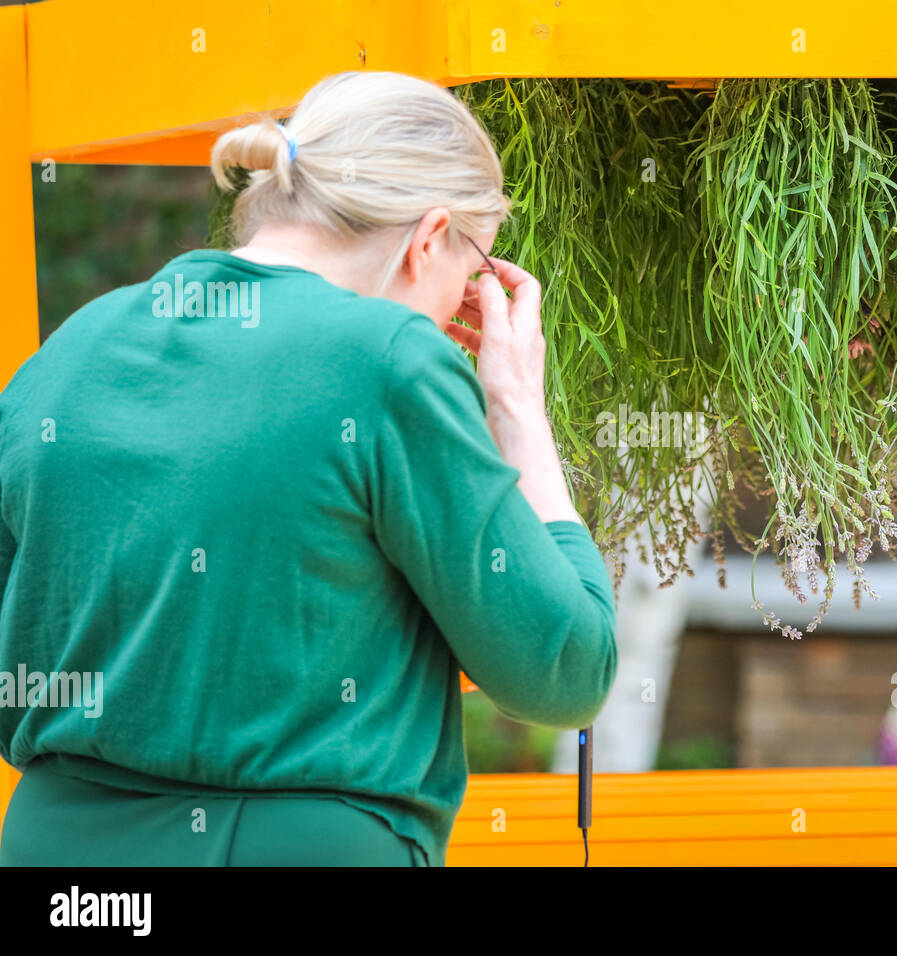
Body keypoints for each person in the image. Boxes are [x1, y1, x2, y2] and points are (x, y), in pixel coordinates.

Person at [0, 71, 618, 866]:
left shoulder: (70, 349)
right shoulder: (388, 361)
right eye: (473, 273)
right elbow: (565, 669)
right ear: (429, 236)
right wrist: (517, 408)